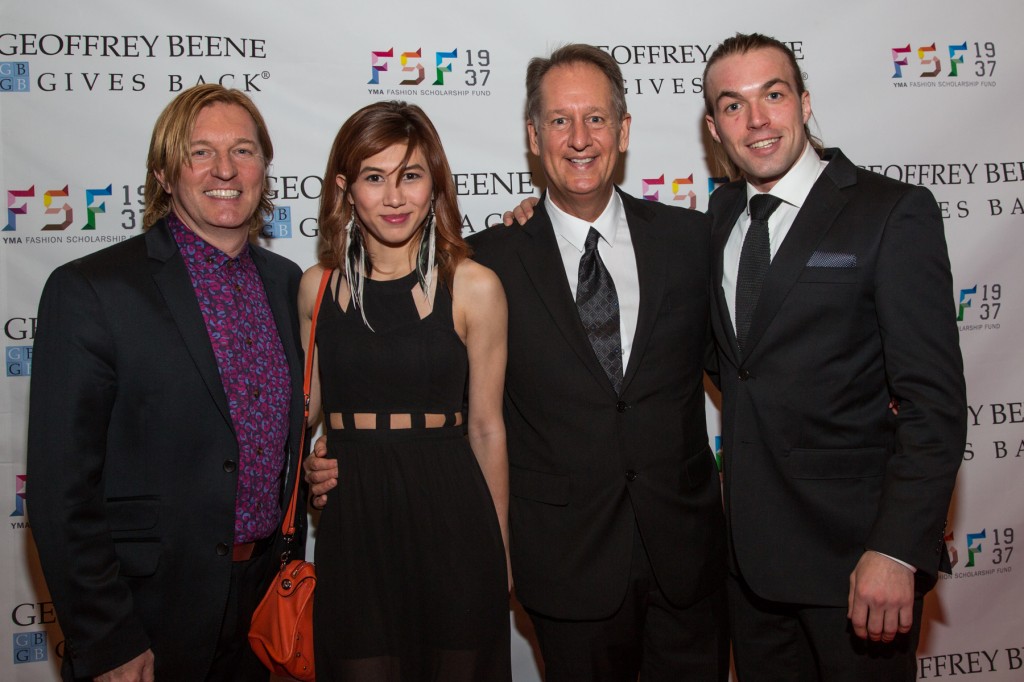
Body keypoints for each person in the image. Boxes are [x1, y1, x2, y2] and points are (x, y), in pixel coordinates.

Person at [308, 45, 728, 681]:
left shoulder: (692, 240)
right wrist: (326, 452)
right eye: (559, 120)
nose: (580, 138)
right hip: (565, 564)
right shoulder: (486, 260)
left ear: (625, 130)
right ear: (533, 137)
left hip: (688, 560)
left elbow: (746, 370)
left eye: (596, 118)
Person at [702, 33, 967, 680]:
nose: (757, 120)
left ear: (805, 101)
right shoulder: (717, 216)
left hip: (857, 568)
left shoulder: (889, 212)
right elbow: (733, 362)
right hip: (750, 573)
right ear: (714, 128)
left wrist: (898, 549)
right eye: (733, 106)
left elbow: (934, 404)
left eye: (773, 95)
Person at [27, 84, 306, 682]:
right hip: (146, 616)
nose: (225, 170)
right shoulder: (93, 290)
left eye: (244, 150)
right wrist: (107, 640)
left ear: (265, 168)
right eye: (200, 152)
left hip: (264, 606)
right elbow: (60, 489)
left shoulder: (289, 285)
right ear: (162, 172)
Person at [300, 100, 511, 681]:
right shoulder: (316, 289)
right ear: (345, 189)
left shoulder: (474, 286)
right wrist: (306, 467)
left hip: (453, 514)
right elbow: (301, 415)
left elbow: (488, 427)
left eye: (411, 176)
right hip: (355, 517)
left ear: (435, 186)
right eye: (374, 177)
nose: (394, 198)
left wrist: (500, 551)